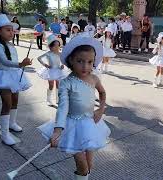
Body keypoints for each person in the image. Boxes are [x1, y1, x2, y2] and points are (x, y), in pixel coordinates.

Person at [38, 35, 111, 180]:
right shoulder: (66, 82)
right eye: (80, 61)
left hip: (90, 124)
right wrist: (58, 130)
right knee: (82, 166)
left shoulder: (94, 79)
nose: (85, 66)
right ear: (71, 60)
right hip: (71, 126)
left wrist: (101, 109)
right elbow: (63, 108)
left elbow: (102, 93)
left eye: (90, 62)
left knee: (89, 166)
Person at [0, 14, 32, 145]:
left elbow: (14, 60)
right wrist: (21, 64)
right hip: (3, 76)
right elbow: (4, 61)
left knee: (15, 100)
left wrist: (22, 64)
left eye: (12, 30)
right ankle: (4, 134)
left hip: (15, 75)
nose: (11, 32)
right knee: (7, 103)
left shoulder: (11, 45)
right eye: (8, 30)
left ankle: (12, 123)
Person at [37, 35, 68, 106]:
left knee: (58, 85)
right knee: (51, 85)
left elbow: (63, 61)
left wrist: (62, 65)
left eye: (58, 46)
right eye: (55, 46)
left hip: (58, 70)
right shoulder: (48, 53)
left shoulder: (60, 53)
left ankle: (58, 99)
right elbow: (39, 58)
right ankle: (49, 100)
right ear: (50, 46)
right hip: (50, 71)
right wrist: (45, 64)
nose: (57, 47)